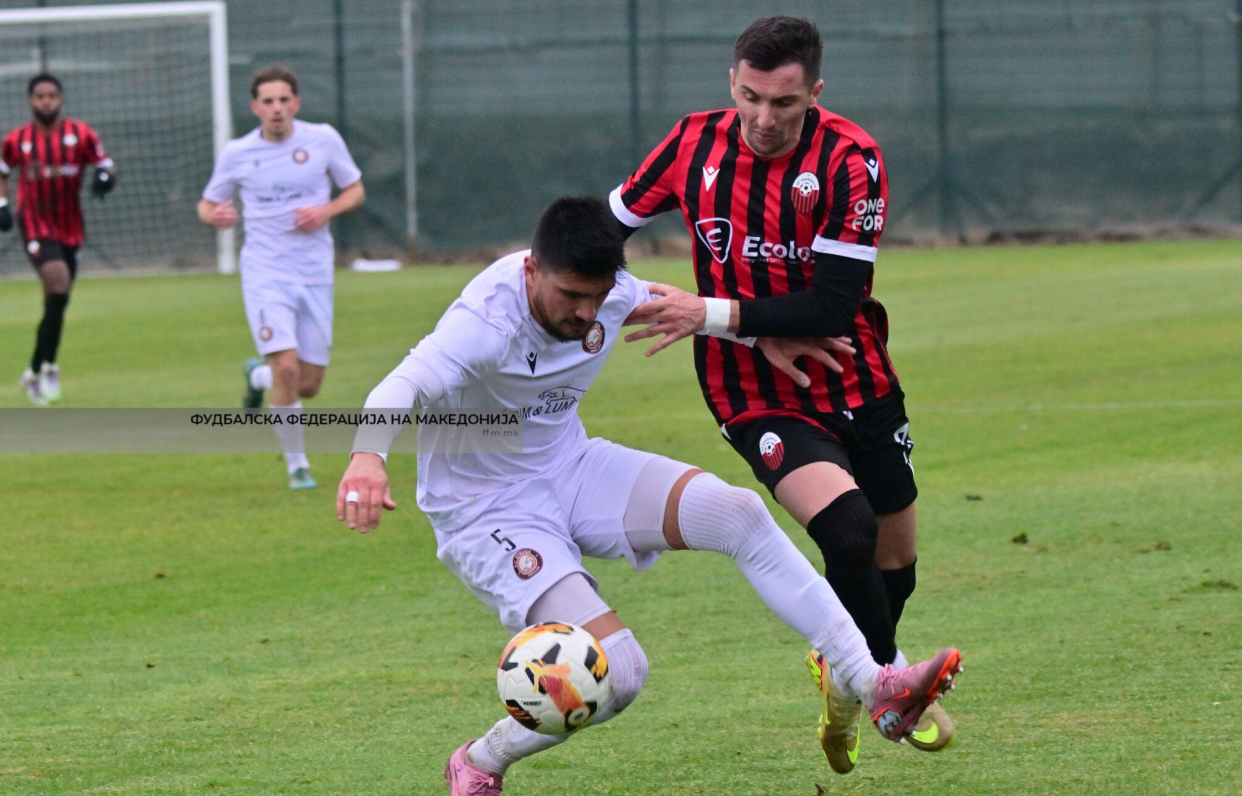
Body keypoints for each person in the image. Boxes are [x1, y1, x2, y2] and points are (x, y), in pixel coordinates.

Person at [335, 196, 960, 793]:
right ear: (532, 270)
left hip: (570, 466)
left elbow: (679, 308)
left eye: (598, 295)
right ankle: (480, 761)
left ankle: (874, 683)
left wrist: (758, 336)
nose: (587, 312)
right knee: (620, 673)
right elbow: (403, 383)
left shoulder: (609, 294)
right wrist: (367, 457)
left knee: (738, 514)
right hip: (487, 509)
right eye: (570, 295)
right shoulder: (485, 324)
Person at [608, 16, 952, 773]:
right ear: (732, 83)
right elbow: (599, 237)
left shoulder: (851, 160)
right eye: (750, 97)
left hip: (857, 374)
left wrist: (712, 313)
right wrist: (729, 328)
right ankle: (887, 686)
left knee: (897, 561)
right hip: (750, 389)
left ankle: (842, 672)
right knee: (848, 532)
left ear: (815, 93)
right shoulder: (690, 143)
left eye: (784, 103)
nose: (763, 119)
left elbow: (832, 305)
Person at [198, 65, 365, 490]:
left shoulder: (322, 139)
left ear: (297, 103)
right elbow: (207, 203)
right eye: (268, 101)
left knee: (308, 385)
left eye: (284, 100)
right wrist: (215, 216)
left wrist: (325, 211)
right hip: (265, 272)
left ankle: (257, 377)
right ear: (255, 107)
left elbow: (355, 190)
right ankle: (297, 467)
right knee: (287, 369)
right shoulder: (238, 152)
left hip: (314, 273)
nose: (277, 108)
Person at [0, 73, 116, 405]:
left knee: (57, 301)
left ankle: (36, 369)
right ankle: (49, 368)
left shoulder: (82, 134)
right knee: (58, 282)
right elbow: (2, 172)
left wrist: (105, 177)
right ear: (30, 101)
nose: (46, 101)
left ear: (61, 99)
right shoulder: (17, 139)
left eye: (51, 95)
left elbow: (106, 164)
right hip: (35, 223)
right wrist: (1, 204)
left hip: (70, 226)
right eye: (40, 96)